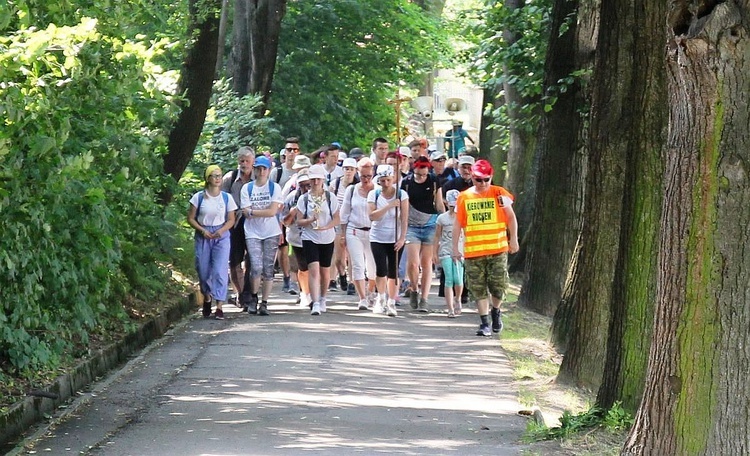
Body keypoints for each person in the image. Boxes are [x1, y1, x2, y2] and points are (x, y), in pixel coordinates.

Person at [452, 159, 519, 336]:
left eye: (486, 179)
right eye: (478, 180)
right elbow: (457, 224)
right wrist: (454, 248)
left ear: (491, 177)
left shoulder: (499, 194)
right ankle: (484, 323)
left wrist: (514, 240)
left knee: (498, 286)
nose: (482, 183)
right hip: (474, 251)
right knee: (478, 287)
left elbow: (511, 218)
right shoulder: (464, 197)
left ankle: (496, 312)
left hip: (497, 249)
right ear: (472, 178)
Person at [188, 165, 237, 320]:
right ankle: (207, 297)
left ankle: (219, 306)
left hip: (221, 235)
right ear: (207, 178)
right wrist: (202, 230)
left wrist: (221, 231)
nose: (217, 178)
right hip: (203, 234)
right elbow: (190, 218)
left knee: (219, 270)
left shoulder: (227, 198)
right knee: (203, 270)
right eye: (214, 175)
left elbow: (231, 219)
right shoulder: (198, 197)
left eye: (219, 175)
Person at [240, 156, 284, 316]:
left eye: (264, 168)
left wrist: (253, 211)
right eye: (258, 168)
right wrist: (255, 212)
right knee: (255, 266)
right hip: (252, 232)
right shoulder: (247, 188)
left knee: (268, 268)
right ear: (255, 170)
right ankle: (253, 297)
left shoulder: (275, 188)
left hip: (271, 232)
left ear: (268, 170)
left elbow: (273, 211)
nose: (261, 171)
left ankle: (264, 302)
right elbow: (246, 212)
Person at [296, 165, 340, 316]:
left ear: (323, 180)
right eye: (313, 179)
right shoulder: (304, 199)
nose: (315, 182)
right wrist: (309, 220)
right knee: (313, 269)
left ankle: (322, 298)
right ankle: (314, 302)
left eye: (318, 179)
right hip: (310, 237)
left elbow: (337, 218)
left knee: (325, 271)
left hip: (327, 237)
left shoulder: (330, 197)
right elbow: (298, 221)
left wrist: (327, 227)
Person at [401, 156, 443, 312]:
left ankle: (424, 299)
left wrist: (444, 221)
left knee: (426, 263)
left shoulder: (434, 181)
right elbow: (402, 205)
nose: (422, 177)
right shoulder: (406, 183)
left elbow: (439, 203)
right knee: (413, 263)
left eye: (424, 174)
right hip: (411, 225)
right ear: (414, 170)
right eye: (419, 174)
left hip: (430, 225)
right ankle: (413, 288)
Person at [368, 164, 409, 317]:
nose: (385, 184)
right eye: (382, 180)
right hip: (378, 236)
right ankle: (381, 298)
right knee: (381, 269)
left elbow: (404, 219)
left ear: (393, 179)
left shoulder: (401, 194)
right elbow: (372, 216)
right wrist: (389, 206)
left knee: (393, 270)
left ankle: (391, 301)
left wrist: (402, 238)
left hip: (395, 237)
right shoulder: (374, 194)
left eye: (388, 180)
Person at [340, 158, 377, 310]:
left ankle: (370, 292)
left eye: (368, 176)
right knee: (357, 265)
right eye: (363, 176)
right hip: (354, 230)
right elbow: (344, 214)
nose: (366, 180)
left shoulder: (377, 190)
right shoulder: (352, 190)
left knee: (373, 267)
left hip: (374, 232)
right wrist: (343, 235)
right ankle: (362, 297)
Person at [221, 147, 255, 309]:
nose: (244, 164)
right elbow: (221, 201)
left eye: (247, 161)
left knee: (252, 259)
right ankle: (241, 294)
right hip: (234, 224)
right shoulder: (230, 178)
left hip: (254, 223)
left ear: (252, 162)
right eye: (241, 161)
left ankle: (248, 293)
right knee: (234, 260)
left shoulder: (259, 177)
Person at [271, 137, 301, 294]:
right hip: (279, 214)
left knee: (295, 248)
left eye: (295, 150)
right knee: (282, 248)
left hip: (299, 215)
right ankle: (287, 278)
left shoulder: (300, 171)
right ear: (285, 152)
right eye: (289, 150)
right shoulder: (278, 172)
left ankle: (296, 277)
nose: (292, 153)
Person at [281, 170, 313, 309]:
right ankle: (304, 293)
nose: (306, 188)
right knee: (302, 267)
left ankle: (312, 293)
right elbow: (285, 221)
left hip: (314, 237)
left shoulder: (317, 197)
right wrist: (293, 212)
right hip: (296, 238)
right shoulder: (291, 198)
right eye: (302, 185)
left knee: (313, 267)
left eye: (308, 185)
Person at [330, 157, 360, 294]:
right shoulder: (335, 184)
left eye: (351, 169)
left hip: (353, 223)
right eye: (346, 169)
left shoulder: (358, 186)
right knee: (338, 257)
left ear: (355, 171)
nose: (348, 172)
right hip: (337, 223)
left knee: (353, 255)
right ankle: (342, 275)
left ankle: (353, 283)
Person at [434, 190, 463, 318]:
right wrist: (435, 253)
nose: (453, 208)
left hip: (459, 251)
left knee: (458, 279)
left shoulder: (462, 217)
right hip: (445, 250)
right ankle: (450, 308)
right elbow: (437, 236)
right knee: (449, 279)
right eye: (451, 205)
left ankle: (458, 298)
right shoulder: (442, 218)